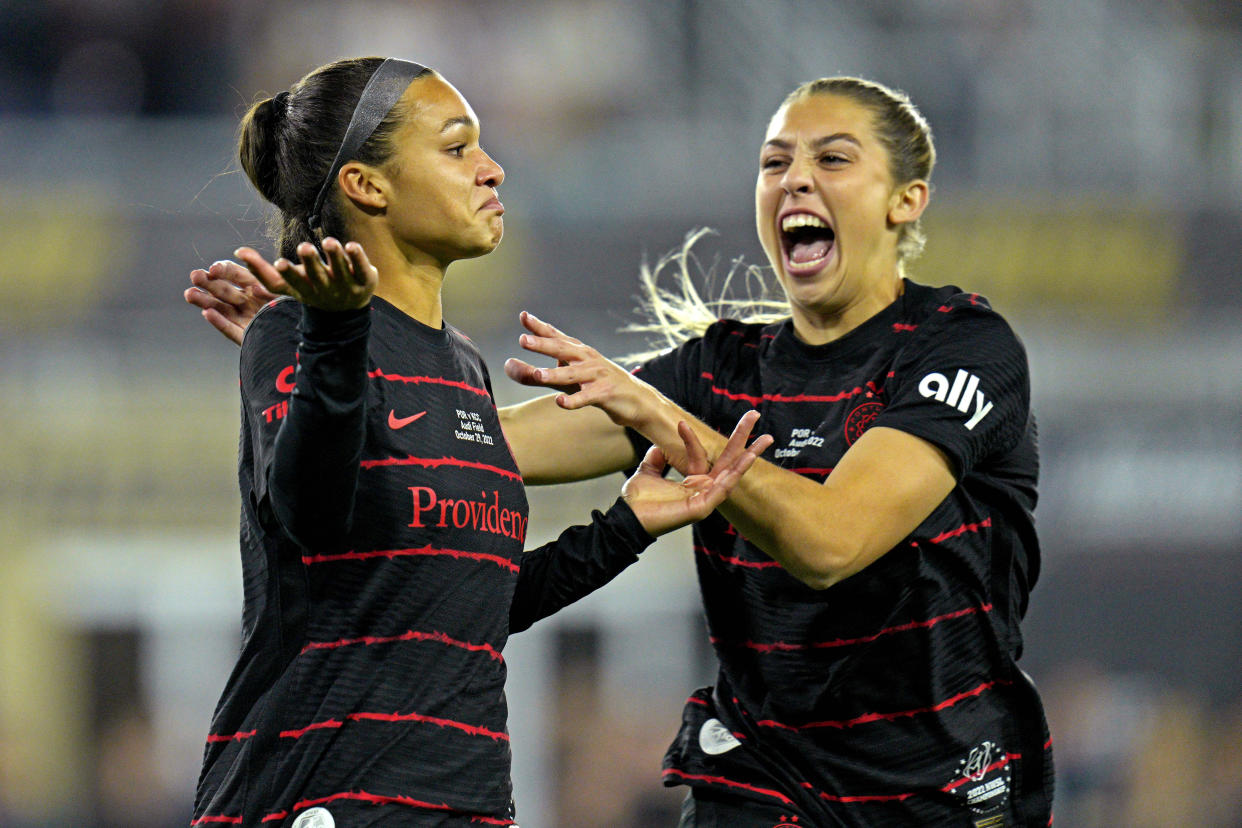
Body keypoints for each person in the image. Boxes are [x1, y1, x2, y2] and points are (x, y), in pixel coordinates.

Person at [188, 75, 1054, 827]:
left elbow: (832, 542)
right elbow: (458, 450)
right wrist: (323, 367)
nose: (794, 180)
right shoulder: (722, 370)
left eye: (831, 160)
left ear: (908, 198)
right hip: (761, 780)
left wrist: (648, 405)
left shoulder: (960, 349)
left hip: (939, 778)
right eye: (774, 162)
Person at [188, 56, 772, 828]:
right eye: (457, 147)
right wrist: (333, 335)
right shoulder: (292, 329)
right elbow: (311, 514)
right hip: (321, 795)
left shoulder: (457, 362)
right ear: (368, 185)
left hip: (462, 802)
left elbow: (470, 603)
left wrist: (624, 529)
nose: (492, 169)